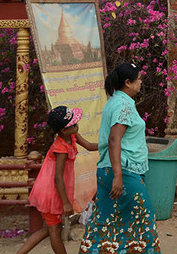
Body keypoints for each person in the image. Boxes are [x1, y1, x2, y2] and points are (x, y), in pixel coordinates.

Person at [78, 62, 161, 254]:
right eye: (138, 79)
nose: (141, 82)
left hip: (111, 169)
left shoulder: (115, 101)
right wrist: (118, 175)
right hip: (123, 171)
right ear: (128, 82)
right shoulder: (122, 105)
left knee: (106, 222)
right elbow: (114, 139)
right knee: (143, 218)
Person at [17, 106, 97, 254]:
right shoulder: (60, 147)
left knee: (48, 229)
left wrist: (111, 144)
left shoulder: (72, 136)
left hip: (56, 190)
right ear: (63, 131)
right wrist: (66, 202)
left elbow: (89, 146)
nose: (76, 125)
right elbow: (58, 177)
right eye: (73, 124)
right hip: (51, 192)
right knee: (54, 231)